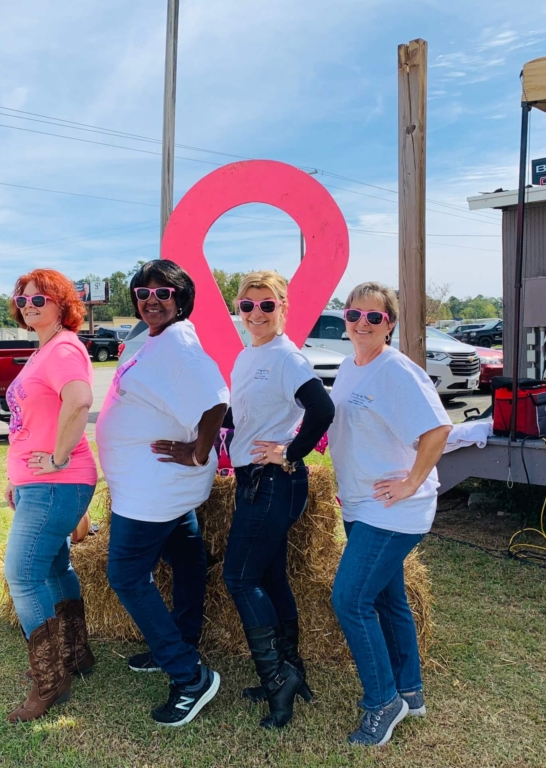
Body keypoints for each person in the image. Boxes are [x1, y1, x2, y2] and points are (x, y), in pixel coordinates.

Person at [96, 259, 229, 727]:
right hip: (155, 488)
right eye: (143, 292)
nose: (151, 299)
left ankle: (189, 676)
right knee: (188, 559)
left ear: (181, 298)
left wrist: (199, 450)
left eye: (163, 292)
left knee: (127, 575)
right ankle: (177, 642)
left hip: (152, 492)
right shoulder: (154, 340)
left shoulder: (179, 343)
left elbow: (215, 398)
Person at [328, 282, 452, 747]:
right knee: (387, 600)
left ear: (390, 324)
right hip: (361, 503)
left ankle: (383, 702)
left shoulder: (397, 371)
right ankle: (410, 690)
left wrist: (412, 482)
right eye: (354, 314)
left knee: (350, 600)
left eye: (374, 317)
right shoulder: (348, 367)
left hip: (394, 509)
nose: (362, 323)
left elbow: (438, 430)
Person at [222, 270, 334, 729]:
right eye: (248, 306)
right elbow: (241, 414)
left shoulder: (286, 357)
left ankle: (277, 680)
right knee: (271, 578)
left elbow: (322, 409)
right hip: (258, 481)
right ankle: (294, 670)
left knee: (238, 578)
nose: (256, 314)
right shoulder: (248, 355)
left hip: (272, 483)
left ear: (283, 308)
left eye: (267, 305)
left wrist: (290, 450)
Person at [2, 269, 98, 724]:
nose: (29, 306)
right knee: (56, 567)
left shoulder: (61, 349)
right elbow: (33, 420)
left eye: (40, 299)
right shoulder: (43, 350)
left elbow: (79, 401)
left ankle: (49, 679)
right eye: (23, 300)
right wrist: (16, 477)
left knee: (21, 575)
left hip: (56, 482)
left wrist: (57, 458)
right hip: (37, 482)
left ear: (62, 303)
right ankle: (75, 655)